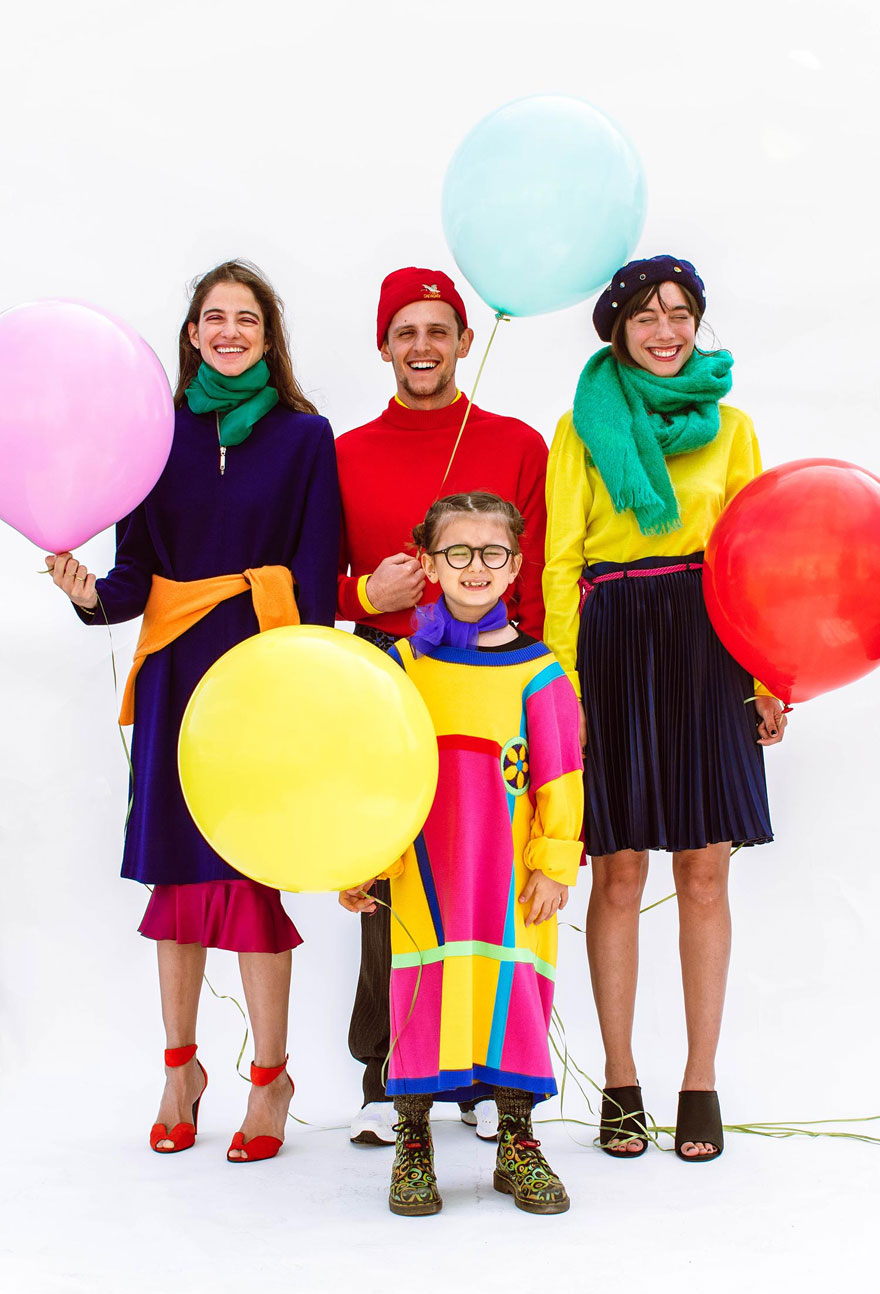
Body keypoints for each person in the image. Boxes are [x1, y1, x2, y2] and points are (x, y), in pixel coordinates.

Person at [47, 260, 340, 1162]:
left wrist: (303, 687)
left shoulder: (304, 436)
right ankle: (181, 1071)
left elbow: (316, 569)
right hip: (177, 672)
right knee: (177, 876)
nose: (229, 331)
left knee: (252, 876)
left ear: (268, 335)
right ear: (191, 334)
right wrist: (90, 594)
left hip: (261, 670)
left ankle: (271, 1079)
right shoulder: (155, 433)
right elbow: (135, 572)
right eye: (214, 317)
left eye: (246, 318)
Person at [543, 255, 789, 1164]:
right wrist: (560, 689)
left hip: (707, 639)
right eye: (646, 316)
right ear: (618, 329)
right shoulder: (580, 429)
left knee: (705, 869)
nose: (665, 331)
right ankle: (620, 1081)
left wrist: (766, 673)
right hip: (612, 639)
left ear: (697, 323)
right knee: (616, 869)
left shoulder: (734, 429)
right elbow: (560, 564)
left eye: (680, 313)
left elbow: (756, 555)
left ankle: (700, 1082)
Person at [337, 267, 549, 1146]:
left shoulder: (518, 444)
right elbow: (309, 581)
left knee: (488, 869)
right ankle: (390, 1072)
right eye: (405, 331)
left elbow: (536, 580)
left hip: (498, 673)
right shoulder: (344, 453)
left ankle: (489, 1074)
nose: (421, 346)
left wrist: (541, 691)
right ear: (383, 345)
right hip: (387, 674)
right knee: (393, 868)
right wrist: (364, 593)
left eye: (437, 330)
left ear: (465, 341)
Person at [341, 491, 583, 1215]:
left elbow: (561, 776)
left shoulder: (541, 674)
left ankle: (517, 1140)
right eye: (458, 552)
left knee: (513, 999)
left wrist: (554, 862)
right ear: (428, 564)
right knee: (420, 999)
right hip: (425, 879)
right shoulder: (402, 669)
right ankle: (413, 1141)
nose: (475, 566)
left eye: (492, 553)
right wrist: (362, 864)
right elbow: (378, 777)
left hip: (510, 883)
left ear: (515, 566)